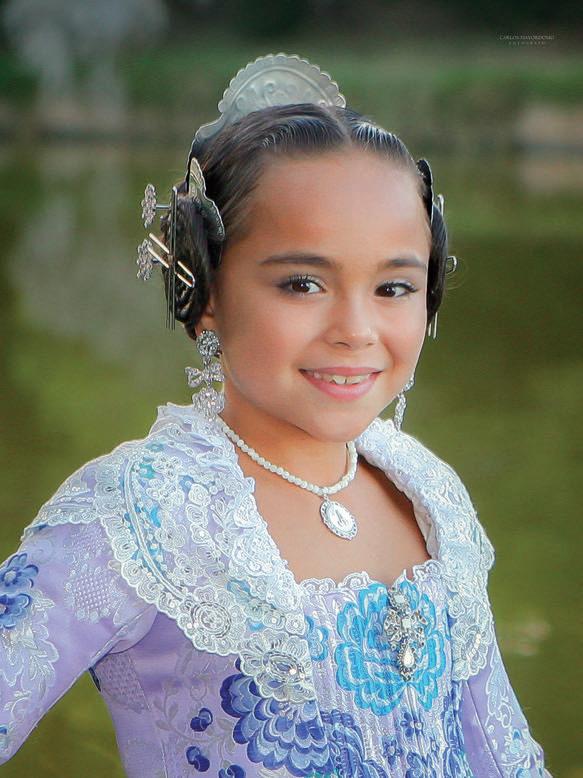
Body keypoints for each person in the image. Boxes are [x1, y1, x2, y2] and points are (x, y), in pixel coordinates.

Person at [0, 53, 550, 777]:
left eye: (393, 288)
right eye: (302, 283)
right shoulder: (140, 515)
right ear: (204, 291)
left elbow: (504, 758)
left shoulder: (430, 493)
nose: (355, 330)